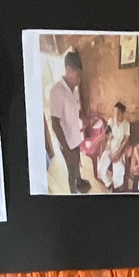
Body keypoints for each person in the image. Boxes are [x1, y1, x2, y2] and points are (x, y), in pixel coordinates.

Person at [47, 48, 88, 194]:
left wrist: (82, 117)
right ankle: (73, 193)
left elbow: (76, 110)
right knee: (72, 170)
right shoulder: (57, 91)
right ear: (68, 70)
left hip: (75, 138)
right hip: (66, 143)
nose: (79, 79)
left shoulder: (74, 90)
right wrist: (66, 149)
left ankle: (79, 182)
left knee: (77, 165)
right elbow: (55, 124)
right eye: (77, 74)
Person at [100, 101, 133, 191]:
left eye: (118, 112)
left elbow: (126, 140)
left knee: (119, 170)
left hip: (119, 148)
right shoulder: (111, 121)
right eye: (115, 112)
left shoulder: (126, 124)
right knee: (101, 168)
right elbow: (106, 133)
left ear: (122, 113)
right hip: (109, 147)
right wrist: (106, 138)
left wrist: (118, 153)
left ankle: (116, 188)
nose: (116, 115)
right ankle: (108, 182)